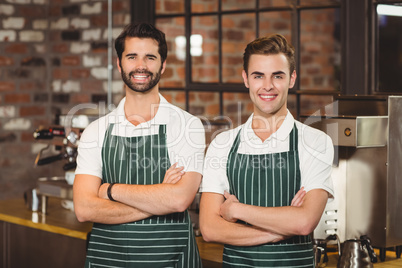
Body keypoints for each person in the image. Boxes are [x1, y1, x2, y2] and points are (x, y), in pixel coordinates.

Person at [73, 22, 205, 268]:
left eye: (150, 57)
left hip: (173, 260)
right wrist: (158, 200)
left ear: (163, 65)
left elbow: (178, 200)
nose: (141, 66)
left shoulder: (187, 126)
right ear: (119, 63)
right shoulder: (96, 131)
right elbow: (84, 208)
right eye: (132, 57)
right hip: (108, 260)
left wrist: (110, 191)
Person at [199, 34, 334, 267]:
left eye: (277, 76)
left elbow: (304, 222)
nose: (268, 86)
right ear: (246, 79)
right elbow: (210, 229)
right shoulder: (223, 144)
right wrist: (281, 230)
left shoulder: (315, 141)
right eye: (258, 76)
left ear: (292, 79)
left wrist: (236, 210)